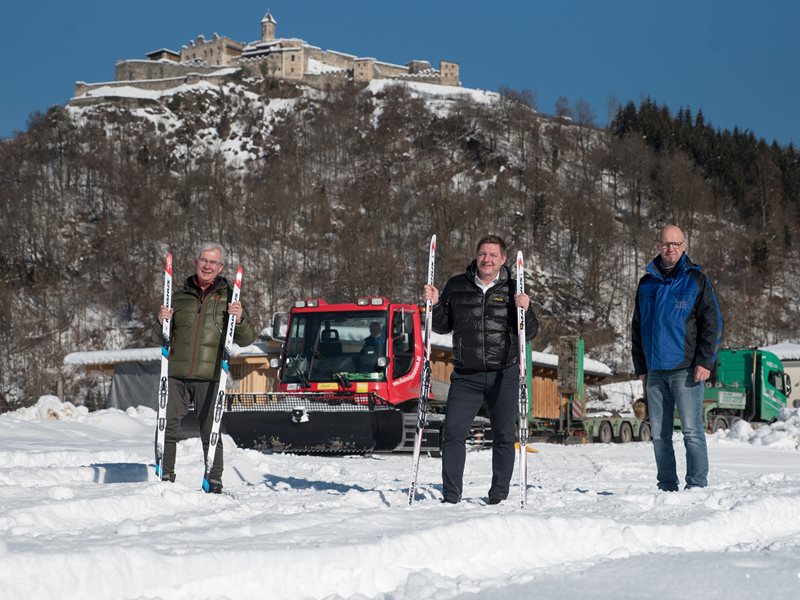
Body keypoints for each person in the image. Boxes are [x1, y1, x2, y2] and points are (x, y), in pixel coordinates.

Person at [424, 234, 538, 504]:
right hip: (466, 376)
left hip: (504, 374)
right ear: (476, 256)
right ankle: (451, 496)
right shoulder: (457, 285)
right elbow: (441, 326)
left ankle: (498, 494)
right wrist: (436, 303)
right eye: (483, 254)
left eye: (493, 255)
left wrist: (527, 309)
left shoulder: (514, 289)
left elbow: (529, 332)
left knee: (503, 435)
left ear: (503, 259)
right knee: (452, 434)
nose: (487, 259)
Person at [156, 242, 257, 493]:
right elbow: (162, 336)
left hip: (210, 374)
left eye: (213, 262)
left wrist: (240, 318)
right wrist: (160, 322)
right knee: (166, 426)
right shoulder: (177, 297)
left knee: (210, 431)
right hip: (176, 373)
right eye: (204, 260)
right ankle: (165, 475)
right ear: (196, 262)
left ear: (220, 266)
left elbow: (246, 339)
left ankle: (213, 478)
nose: (207, 266)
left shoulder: (230, 298)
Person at [631, 225, 723, 491]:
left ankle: (696, 485)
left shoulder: (696, 280)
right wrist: (641, 367)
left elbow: (713, 323)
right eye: (665, 243)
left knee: (692, 432)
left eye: (675, 244)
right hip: (655, 371)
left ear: (684, 246)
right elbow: (637, 327)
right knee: (659, 435)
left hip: (686, 370)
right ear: (658, 244)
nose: (670, 249)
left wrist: (705, 361)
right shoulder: (646, 283)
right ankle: (667, 487)